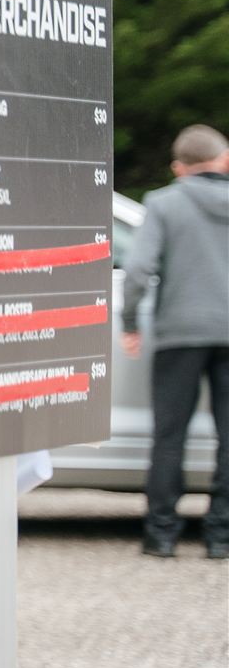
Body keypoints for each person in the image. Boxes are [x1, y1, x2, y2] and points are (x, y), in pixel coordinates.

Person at [120, 123, 229, 559]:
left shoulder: (165, 203)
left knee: (169, 435)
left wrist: (130, 321)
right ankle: (221, 537)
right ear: (224, 160)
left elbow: (137, 270)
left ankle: (161, 535)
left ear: (178, 168)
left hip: (179, 333)